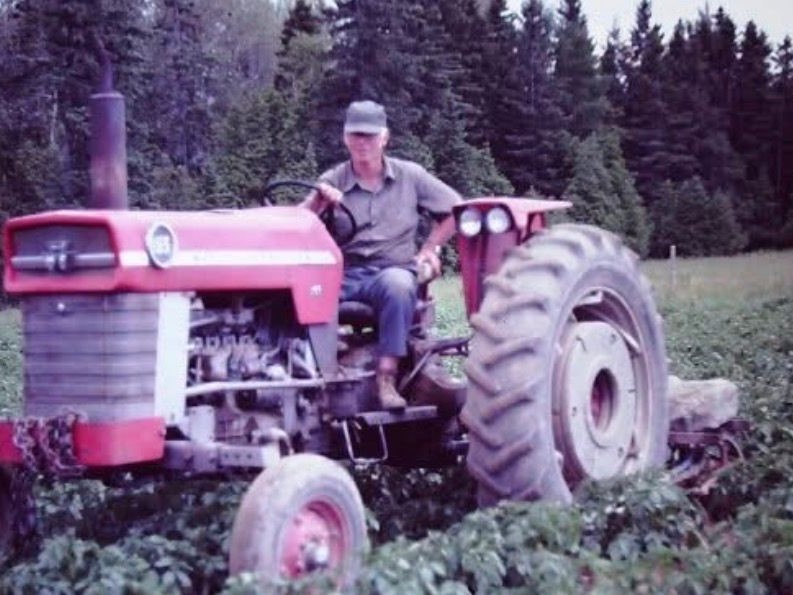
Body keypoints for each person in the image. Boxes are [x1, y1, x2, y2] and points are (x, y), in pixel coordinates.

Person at [303, 100, 462, 410]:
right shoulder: (333, 179)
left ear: (385, 138)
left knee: (398, 286)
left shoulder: (410, 176)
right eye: (356, 135)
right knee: (298, 295)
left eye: (370, 136)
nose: (363, 143)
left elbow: (456, 210)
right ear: (345, 138)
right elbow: (297, 223)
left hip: (393, 270)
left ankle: (386, 378)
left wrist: (431, 247)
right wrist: (318, 204)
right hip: (345, 275)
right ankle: (311, 374)